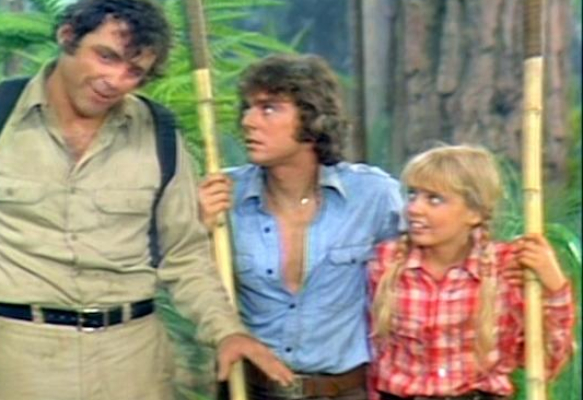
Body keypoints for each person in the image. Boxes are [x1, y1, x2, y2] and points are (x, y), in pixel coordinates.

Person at [0, 1, 294, 399]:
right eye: (106, 56)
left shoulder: (158, 133)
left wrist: (226, 331)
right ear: (67, 36)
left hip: (132, 360)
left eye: (134, 71)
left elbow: (184, 254)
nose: (115, 80)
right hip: (20, 358)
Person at [198, 53, 404, 400]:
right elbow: (190, 280)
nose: (248, 121)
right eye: (247, 108)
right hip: (250, 389)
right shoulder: (223, 196)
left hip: (344, 391)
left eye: (269, 109)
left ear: (312, 120)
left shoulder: (373, 195)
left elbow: (427, 269)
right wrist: (199, 230)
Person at [369, 145, 574, 400]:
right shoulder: (386, 263)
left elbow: (545, 363)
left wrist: (554, 286)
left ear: (474, 213)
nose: (414, 209)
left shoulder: (505, 269)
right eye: (412, 195)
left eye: (434, 199)